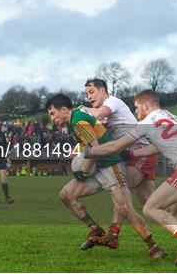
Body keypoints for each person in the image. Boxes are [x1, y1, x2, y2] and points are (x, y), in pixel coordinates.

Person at [85, 90, 177, 265]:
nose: (136, 112)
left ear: (145, 106)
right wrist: (132, 154)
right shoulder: (172, 117)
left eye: (137, 108)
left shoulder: (145, 123)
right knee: (170, 210)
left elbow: (116, 146)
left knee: (150, 209)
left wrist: (90, 151)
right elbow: (156, 147)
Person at [45, 94, 166, 259]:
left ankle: (154, 247)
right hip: (98, 167)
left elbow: (94, 148)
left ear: (64, 109)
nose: (52, 118)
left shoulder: (77, 122)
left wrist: (84, 170)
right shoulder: (78, 115)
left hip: (111, 166)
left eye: (52, 113)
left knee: (124, 208)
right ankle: (95, 229)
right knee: (66, 195)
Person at [82, 78, 171, 252]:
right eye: (86, 94)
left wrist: (79, 110)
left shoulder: (112, 102)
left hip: (140, 154)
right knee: (152, 206)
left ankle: (113, 235)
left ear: (103, 91)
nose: (89, 97)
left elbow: (98, 115)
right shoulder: (107, 112)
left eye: (91, 92)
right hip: (139, 155)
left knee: (120, 192)